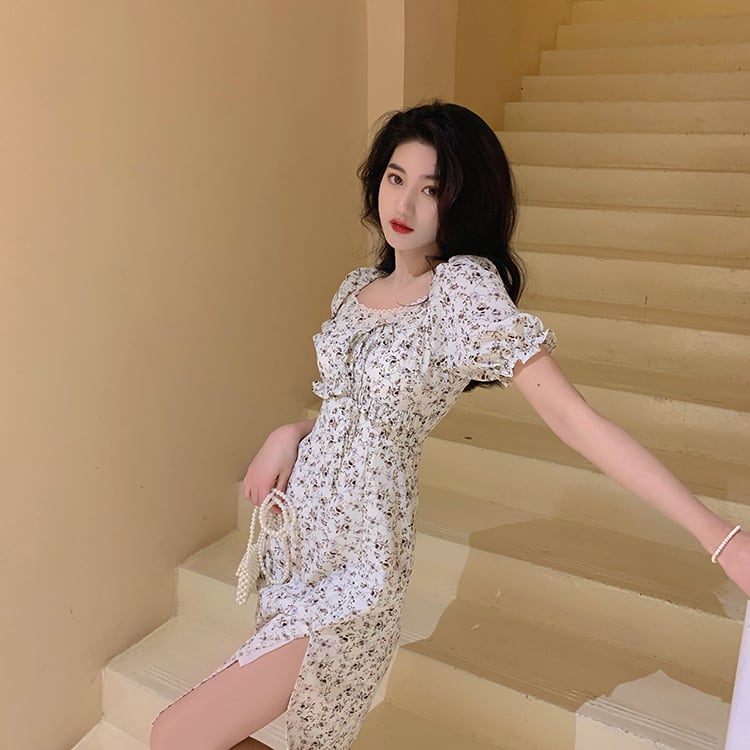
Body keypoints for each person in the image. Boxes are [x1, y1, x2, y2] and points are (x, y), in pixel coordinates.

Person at [149, 101, 750, 750]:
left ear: (460, 201)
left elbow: (573, 418)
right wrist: (288, 435)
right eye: (396, 177)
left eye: (431, 189)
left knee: (174, 737)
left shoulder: (461, 289)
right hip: (300, 547)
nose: (405, 202)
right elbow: (346, 410)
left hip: (361, 561)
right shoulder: (357, 289)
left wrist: (719, 538)